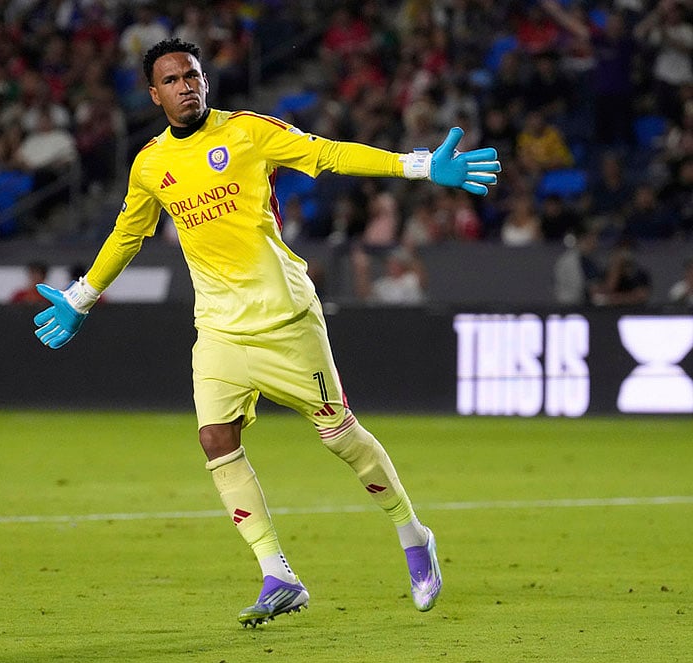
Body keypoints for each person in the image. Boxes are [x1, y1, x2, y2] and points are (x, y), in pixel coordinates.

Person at [32, 39, 501, 627]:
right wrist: (82, 297)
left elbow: (328, 154)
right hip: (218, 328)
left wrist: (419, 165)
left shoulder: (249, 132)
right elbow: (129, 233)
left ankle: (413, 535)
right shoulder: (150, 164)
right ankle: (278, 574)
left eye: (192, 75)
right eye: (171, 80)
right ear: (154, 95)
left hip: (285, 318)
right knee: (214, 438)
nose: (185, 87)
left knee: (340, 438)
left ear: (205, 81)